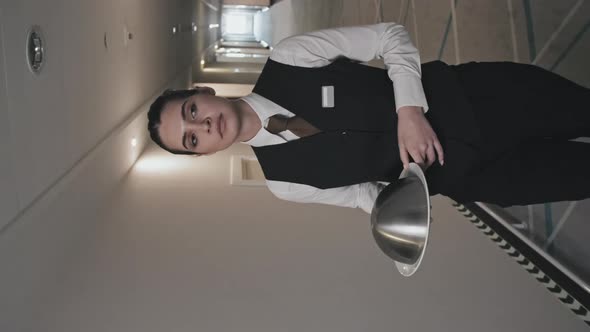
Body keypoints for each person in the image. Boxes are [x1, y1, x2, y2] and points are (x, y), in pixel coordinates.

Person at [147, 22, 590, 214]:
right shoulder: (285, 186)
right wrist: (398, 226)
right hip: (481, 177)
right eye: (191, 139)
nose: (202, 127)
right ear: (202, 152)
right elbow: (367, 197)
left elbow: (389, 37)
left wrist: (410, 109)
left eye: (191, 112)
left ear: (203, 92)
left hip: (483, 98)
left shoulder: (289, 58)